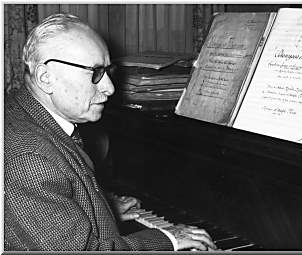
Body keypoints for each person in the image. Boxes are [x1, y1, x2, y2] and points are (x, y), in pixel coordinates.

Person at [4, 13, 217, 251]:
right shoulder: (29, 159)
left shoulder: (26, 115)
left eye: (107, 71)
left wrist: (100, 208)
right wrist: (169, 238)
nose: (110, 88)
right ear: (46, 78)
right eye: (95, 73)